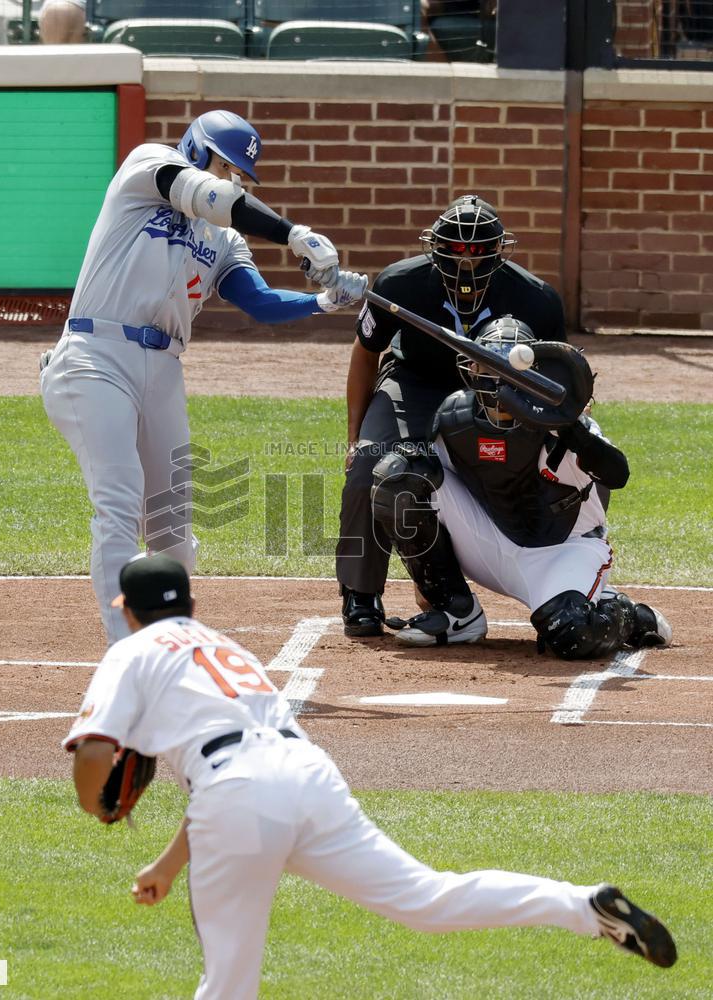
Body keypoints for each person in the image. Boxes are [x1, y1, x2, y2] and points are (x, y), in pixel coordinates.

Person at [64, 553, 677, 999]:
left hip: (238, 795)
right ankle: (582, 907)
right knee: (427, 898)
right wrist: (170, 865)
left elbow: (96, 754)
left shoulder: (132, 651)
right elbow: (240, 767)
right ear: (191, 604)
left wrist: (96, 807)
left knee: (227, 987)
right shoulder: (227, 649)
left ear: (125, 608)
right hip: (305, 777)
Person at [41, 109, 367, 645]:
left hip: (163, 368)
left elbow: (258, 301)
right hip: (96, 355)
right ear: (197, 150)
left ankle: (167, 640)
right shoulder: (148, 167)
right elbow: (218, 200)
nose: (231, 179)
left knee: (173, 530)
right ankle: (126, 650)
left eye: (240, 172)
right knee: (119, 503)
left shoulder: (223, 240)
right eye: (226, 164)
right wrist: (295, 233)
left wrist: (323, 301)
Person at [371, 315, 673, 655]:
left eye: (507, 368)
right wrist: (426, 587)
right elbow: (425, 493)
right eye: (489, 367)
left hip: (563, 551)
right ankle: (456, 613)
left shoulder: (562, 424)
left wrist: (573, 429)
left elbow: (617, 474)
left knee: (571, 634)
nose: (498, 378)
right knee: (399, 475)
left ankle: (629, 615)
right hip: (488, 542)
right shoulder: (454, 418)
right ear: (472, 369)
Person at [337, 193, 563, 639]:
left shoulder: (537, 299)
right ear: (433, 247)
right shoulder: (398, 283)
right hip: (415, 380)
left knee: (502, 476)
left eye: (478, 252)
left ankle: (548, 582)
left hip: (494, 391)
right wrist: (353, 437)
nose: (466, 262)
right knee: (368, 464)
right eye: (454, 251)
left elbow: (559, 374)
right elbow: (365, 356)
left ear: (500, 250)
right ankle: (360, 593)